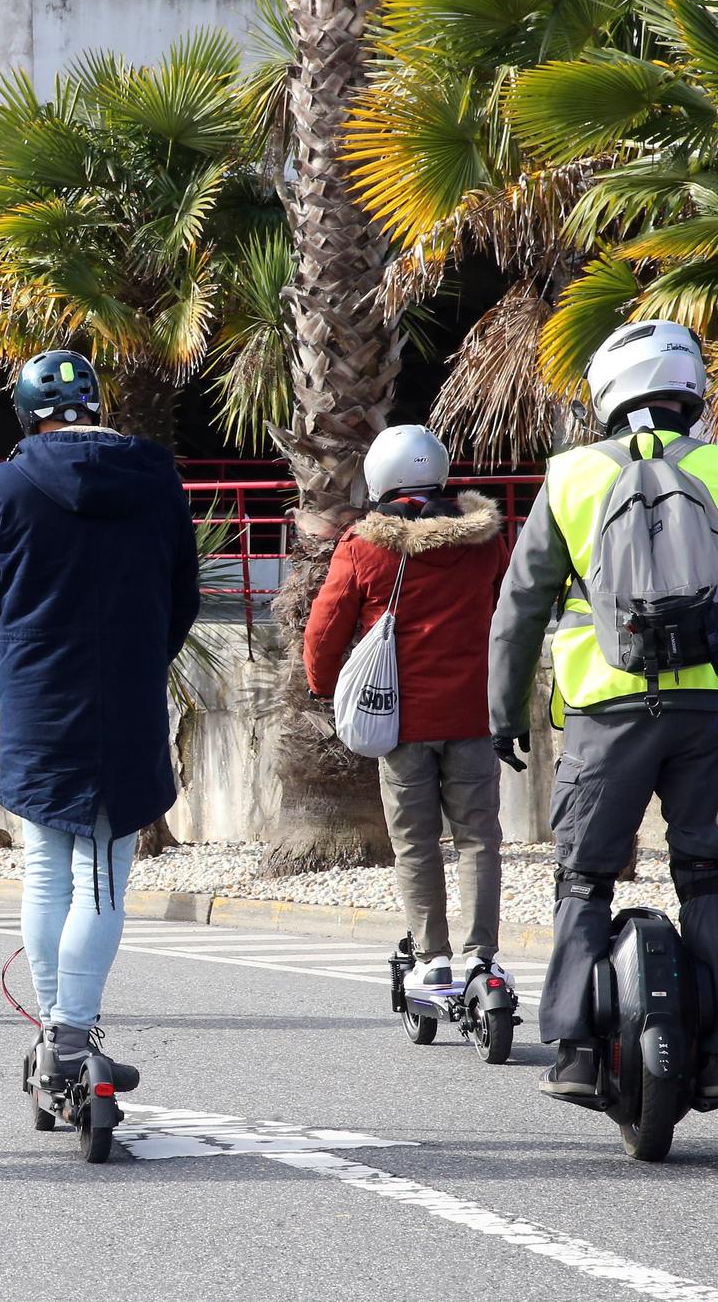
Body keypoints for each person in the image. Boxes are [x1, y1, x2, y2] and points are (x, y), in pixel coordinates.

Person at [0, 349, 199, 1083]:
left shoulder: (3, 486)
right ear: (97, 409)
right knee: (103, 877)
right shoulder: (158, 483)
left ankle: (55, 1033)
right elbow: (182, 596)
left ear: (29, 415)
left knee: (44, 870)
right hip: (125, 696)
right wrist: (147, 655)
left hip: (36, 697)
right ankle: (72, 1033)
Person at [489, 319, 718, 1102]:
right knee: (710, 875)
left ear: (610, 392)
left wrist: (503, 713)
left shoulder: (572, 476)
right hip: (710, 710)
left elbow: (519, 606)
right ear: (691, 388)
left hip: (603, 711)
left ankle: (577, 1052)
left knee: (583, 878)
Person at [305, 426, 511, 990]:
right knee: (478, 838)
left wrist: (323, 686)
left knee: (416, 842)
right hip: (472, 714)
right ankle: (481, 957)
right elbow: (503, 612)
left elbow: (325, 628)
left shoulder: (365, 546)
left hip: (398, 721)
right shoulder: (488, 541)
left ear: (380, 478)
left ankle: (432, 957)